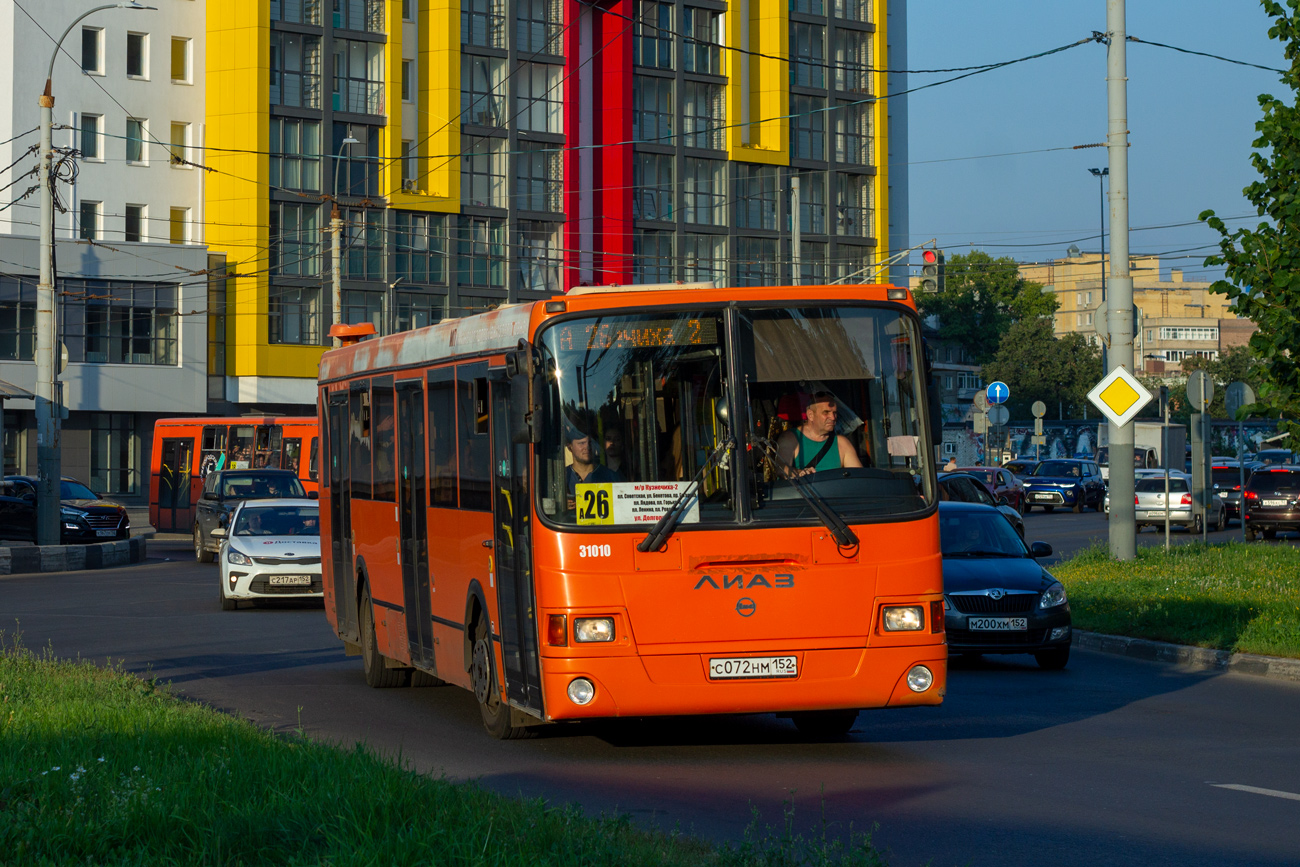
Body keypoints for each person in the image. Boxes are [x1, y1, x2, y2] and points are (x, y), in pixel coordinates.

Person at [776, 391, 863, 475]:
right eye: (826, 413)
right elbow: (781, 469)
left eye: (835, 413)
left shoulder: (842, 443)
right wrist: (800, 473)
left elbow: (859, 477)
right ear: (810, 415)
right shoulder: (791, 438)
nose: (833, 418)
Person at [565, 426, 622, 510]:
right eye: (581, 443)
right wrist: (561, 506)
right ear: (570, 447)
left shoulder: (612, 477)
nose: (587, 447)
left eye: (591, 443)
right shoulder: (561, 477)